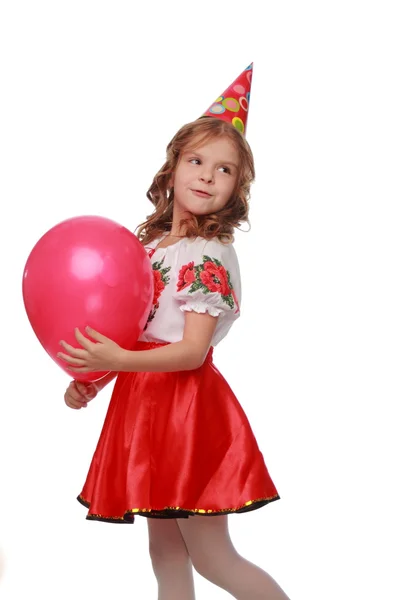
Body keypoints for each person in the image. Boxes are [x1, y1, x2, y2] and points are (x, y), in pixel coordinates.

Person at [60, 64, 291, 600]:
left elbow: (189, 352)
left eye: (225, 169)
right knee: (163, 552)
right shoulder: (148, 251)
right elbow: (131, 333)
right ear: (171, 169)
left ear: (238, 189)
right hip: (143, 408)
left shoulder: (210, 253)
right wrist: (91, 381)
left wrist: (117, 361)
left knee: (212, 556)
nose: (208, 175)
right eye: (196, 160)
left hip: (187, 411)